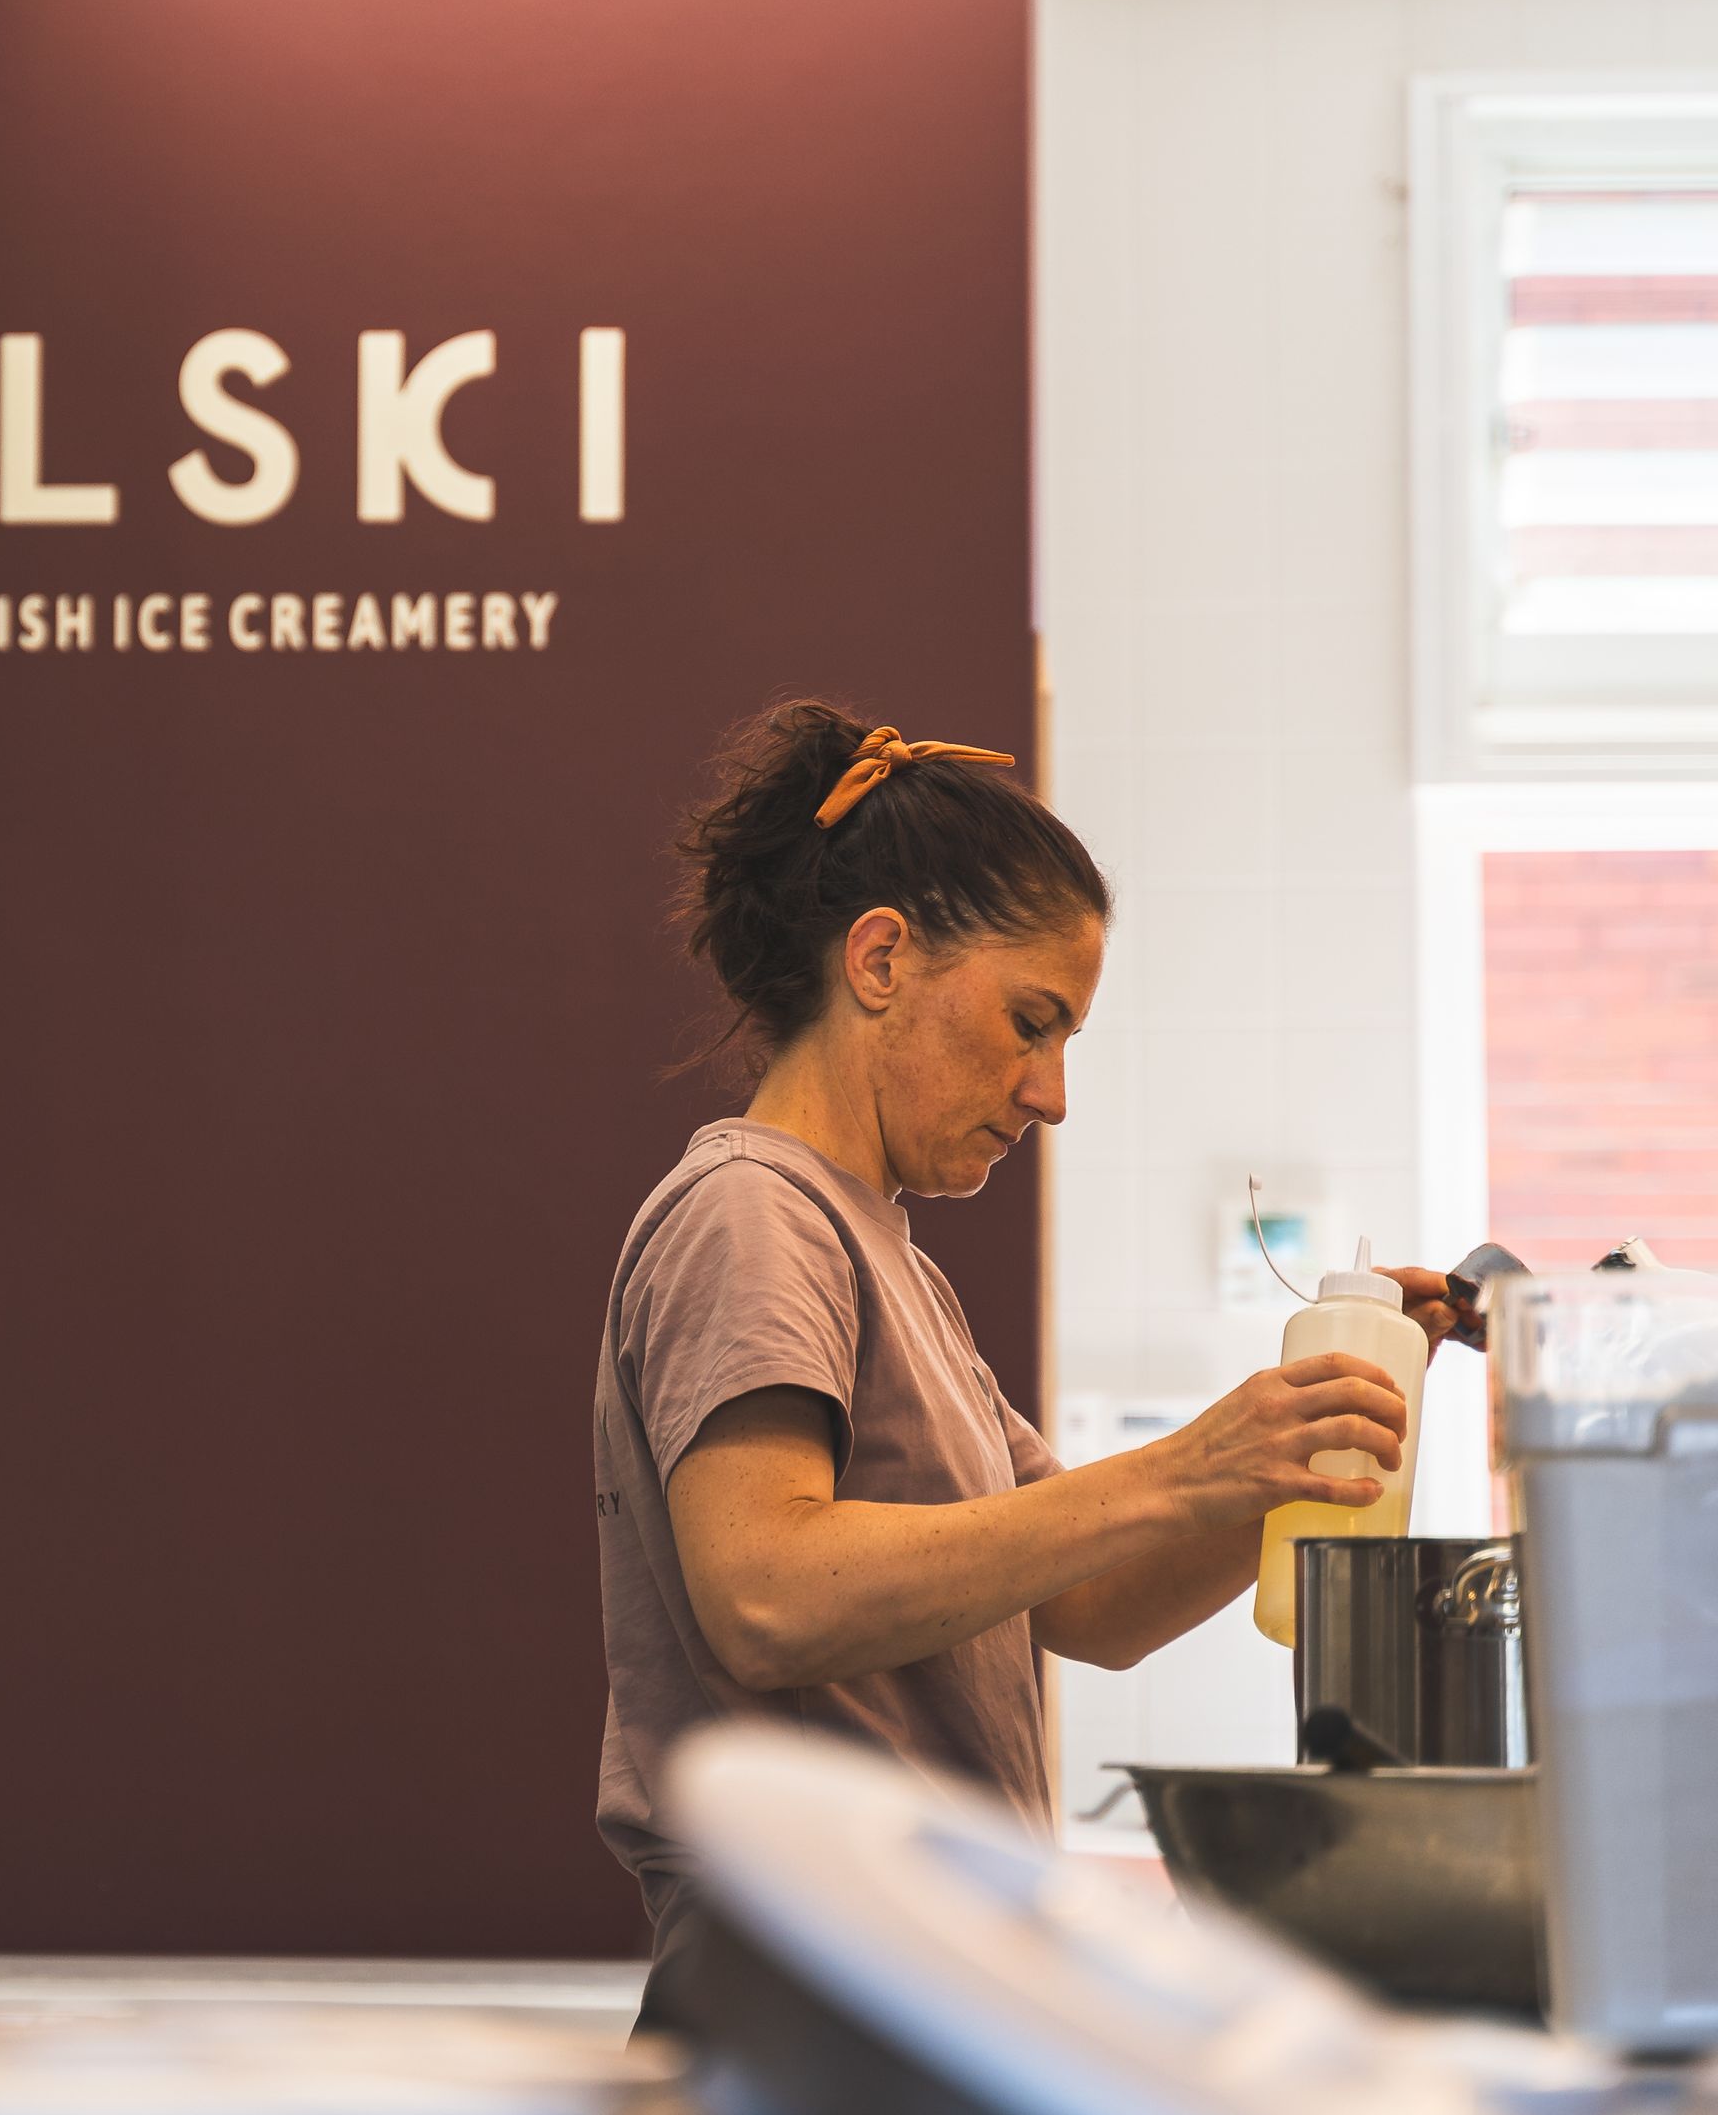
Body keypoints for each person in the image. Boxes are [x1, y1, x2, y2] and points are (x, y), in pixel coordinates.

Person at [593, 701, 1462, 2031]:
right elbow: (763, 1595)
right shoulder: (751, 1215)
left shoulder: (888, 1262)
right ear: (880, 958)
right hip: (809, 1974)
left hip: (914, 1972)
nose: (1050, 1092)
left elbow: (1097, 1605)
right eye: (1030, 1020)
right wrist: (1186, 1462)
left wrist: (1288, 1454)